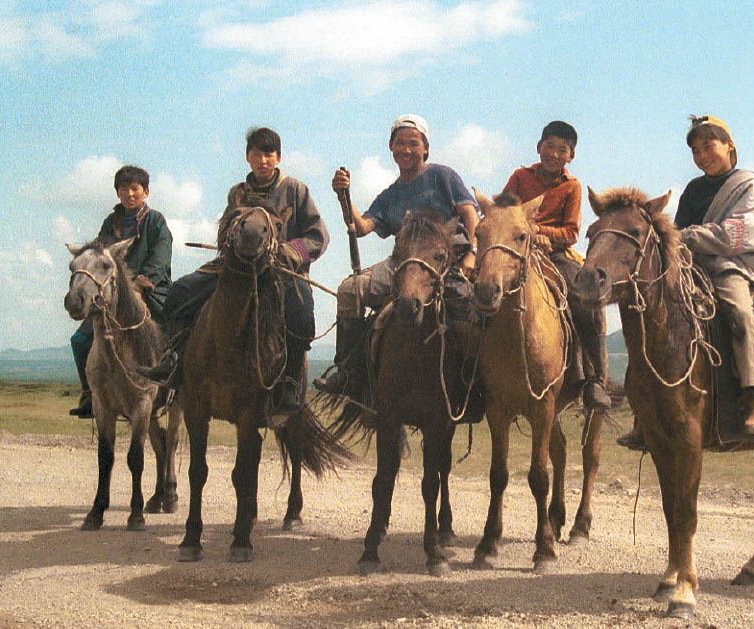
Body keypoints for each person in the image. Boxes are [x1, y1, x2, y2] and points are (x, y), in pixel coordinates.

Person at [138, 127, 329, 416]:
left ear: (278, 157)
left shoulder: (295, 190)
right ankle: (175, 359)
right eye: (257, 154)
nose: (263, 160)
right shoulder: (237, 193)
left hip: (280, 272)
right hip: (235, 269)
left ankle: (290, 381)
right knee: (179, 293)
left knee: (301, 314)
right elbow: (225, 229)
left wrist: (292, 251)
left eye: (269, 154)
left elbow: (318, 235)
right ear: (247, 157)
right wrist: (231, 245)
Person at [622, 115, 754, 443]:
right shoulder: (693, 189)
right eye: (695, 150)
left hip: (727, 268)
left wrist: (687, 237)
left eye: (709, 145)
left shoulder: (748, 185)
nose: (702, 154)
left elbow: (738, 233)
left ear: (729, 144)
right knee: (648, 309)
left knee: (741, 315)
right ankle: (644, 406)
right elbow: (674, 232)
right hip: (689, 265)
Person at [314, 114, 479, 395]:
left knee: (468, 309)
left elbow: (469, 213)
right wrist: (344, 196)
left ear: (425, 148)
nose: (406, 149)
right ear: (390, 147)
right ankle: (349, 372)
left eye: (413, 143)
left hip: (445, 262)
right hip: (401, 263)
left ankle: (475, 382)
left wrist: (472, 254)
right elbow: (362, 226)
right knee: (350, 289)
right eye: (400, 143)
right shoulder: (390, 194)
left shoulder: (443, 176)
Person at [499, 120, 610, 412]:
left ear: (570, 156)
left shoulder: (571, 187)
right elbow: (503, 210)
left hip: (556, 255)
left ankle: (595, 378)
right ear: (539, 147)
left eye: (563, 149)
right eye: (549, 146)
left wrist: (544, 235)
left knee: (586, 299)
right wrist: (526, 234)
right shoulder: (520, 176)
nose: (554, 153)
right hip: (517, 248)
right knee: (484, 288)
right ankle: (476, 373)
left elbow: (571, 232)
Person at [69, 165, 173, 418]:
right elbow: (98, 252)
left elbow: (160, 258)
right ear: (117, 193)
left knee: (172, 329)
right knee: (80, 340)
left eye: (135, 189)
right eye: (124, 189)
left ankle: (176, 385)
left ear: (146, 191)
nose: (129, 194)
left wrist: (138, 285)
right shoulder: (111, 222)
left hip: (148, 289)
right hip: (112, 292)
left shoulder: (155, 221)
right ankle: (89, 393)